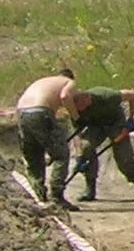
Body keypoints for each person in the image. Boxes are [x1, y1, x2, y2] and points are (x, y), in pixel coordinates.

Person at [67, 86, 134, 201]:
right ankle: (90, 188)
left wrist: (131, 119)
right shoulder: (75, 111)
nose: (80, 110)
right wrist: (80, 156)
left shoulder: (107, 96)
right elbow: (77, 134)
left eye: (82, 106)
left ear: (87, 99)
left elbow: (133, 95)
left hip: (115, 123)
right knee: (86, 147)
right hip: (95, 126)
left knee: (123, 156)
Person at [14, 70, 83, 206]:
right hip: (41, 112)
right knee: (61, 155)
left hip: (22, 113)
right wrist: (76, 117)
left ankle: (38, 194)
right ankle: (57, 196)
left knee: (34, 155)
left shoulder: (43, 81)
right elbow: (65, 96)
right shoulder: (69, 82)